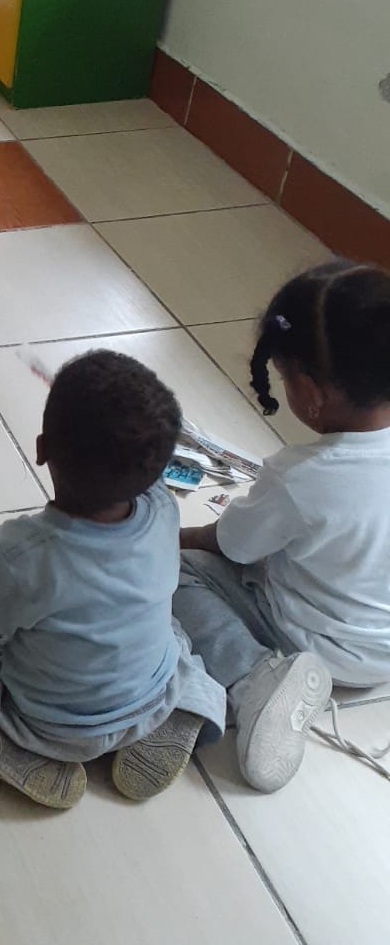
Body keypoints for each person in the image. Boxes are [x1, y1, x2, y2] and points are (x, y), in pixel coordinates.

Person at [0, 350, 225, 810]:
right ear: (155, 468)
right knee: (169, 630)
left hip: (49, 726)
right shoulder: (163, 509)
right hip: (152, 697)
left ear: (41, 449)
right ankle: (180, 711)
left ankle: (0, 744)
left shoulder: (19, 554)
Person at [176, 261, 390, 793]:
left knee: (178, 574)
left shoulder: (302, 475)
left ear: (310, 392)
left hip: (316, 641)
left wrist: (170, 539)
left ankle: (255, 679)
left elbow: (230, 546)